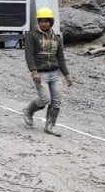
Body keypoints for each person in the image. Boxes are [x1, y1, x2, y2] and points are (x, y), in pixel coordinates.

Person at [22, 7, 74, 136]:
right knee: (45, 99)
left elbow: (60, 58)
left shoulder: (56, 38)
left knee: (57, 101)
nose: (44, 24)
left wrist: (67, 75)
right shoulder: (32, 36)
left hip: (55, 74)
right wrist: (33, 71)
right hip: (41, 74)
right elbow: (29, 55)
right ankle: (29, 111)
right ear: (38, 22)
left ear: (51, 22)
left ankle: (50, 126)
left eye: (46, 21)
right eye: (41, 21)